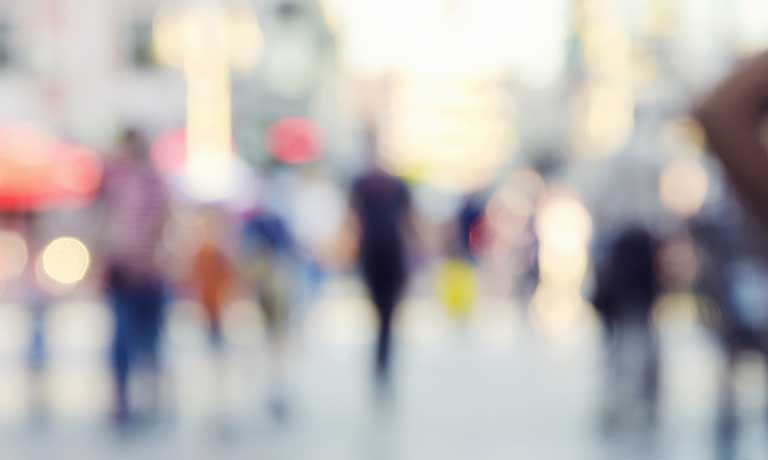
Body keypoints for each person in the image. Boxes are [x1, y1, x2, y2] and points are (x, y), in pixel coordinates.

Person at [100, 128, 171, 424]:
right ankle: (124, 400)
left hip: (149, 275)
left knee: (150, 340)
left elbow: (160, 224)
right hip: (122, 274)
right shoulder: (114, 182)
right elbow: (106, 226)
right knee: (122, 340)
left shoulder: (154, 183)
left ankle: (150, 397)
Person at [350, 160, 414, 396]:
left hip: (383, 256)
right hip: (379, 257)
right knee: (384, 314)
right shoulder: (363, 184)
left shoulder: (394, 186)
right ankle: (382, 360)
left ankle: (382, 361)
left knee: (385, 315)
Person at [592, 224, 661, 432]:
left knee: (631, 355)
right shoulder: (622, 241)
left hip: (632, 302)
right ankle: (621, 408)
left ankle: (628, 407)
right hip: (626, 303)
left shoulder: (637, 241)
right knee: (625, 356)